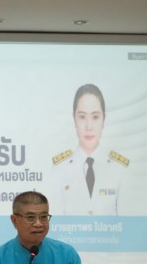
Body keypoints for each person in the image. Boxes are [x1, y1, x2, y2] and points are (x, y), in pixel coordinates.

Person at [52, 84, 130, 215]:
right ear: (74, 119)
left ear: (104, 119)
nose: (89, 126)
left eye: (95, 117)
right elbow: (55, 222)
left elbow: (128, 222)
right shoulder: (59, 170)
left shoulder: (120, 169)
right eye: (82, 117)